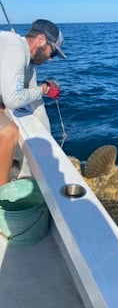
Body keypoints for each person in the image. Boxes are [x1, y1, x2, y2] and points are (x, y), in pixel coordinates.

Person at [0, 19, 67, 186]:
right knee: (9, 132)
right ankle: (2, 196)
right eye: (52, 53)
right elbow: (13, 99)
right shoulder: (15, 48)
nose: (51, 59)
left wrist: (40, 90)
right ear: (42, 39)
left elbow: (25, 92)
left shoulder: (24, 57)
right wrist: (43, 89)